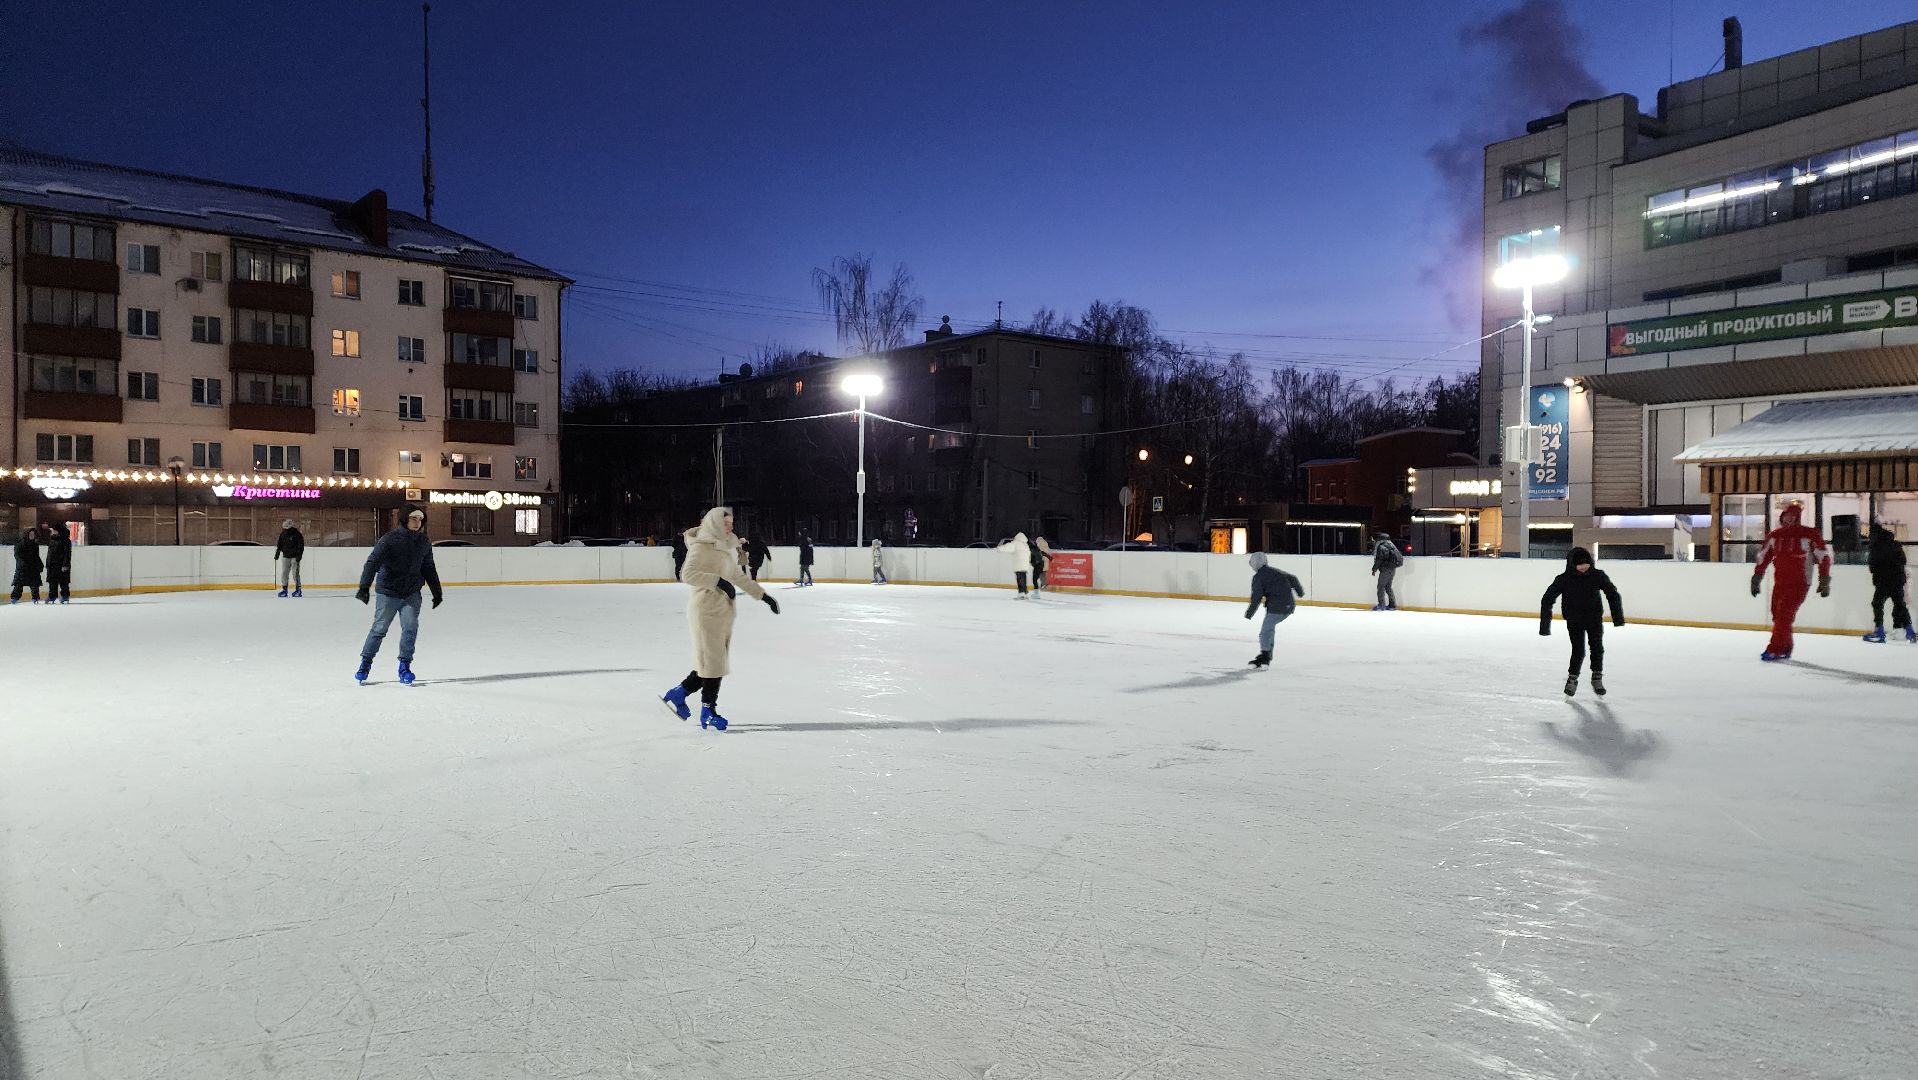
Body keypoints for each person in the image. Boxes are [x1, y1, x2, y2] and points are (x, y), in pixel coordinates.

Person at [661, 506, 779, 731]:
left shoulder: (723, 548)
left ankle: (679, 693)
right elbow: (688, 574)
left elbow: (738, 577)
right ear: (714, 523)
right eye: (726, 524)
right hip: (705, 611)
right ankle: (708, 711)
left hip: (720, 612)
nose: (730, 528)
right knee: (714, 663)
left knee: (711, 662)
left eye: (731, 524)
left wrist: (764, 596)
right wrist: (718, 581)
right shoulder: (701, 546)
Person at [354, 507, 444, 684]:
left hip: (411, 593)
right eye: (413, 518)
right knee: (379, 628)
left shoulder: (423, 541)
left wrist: (437, 592)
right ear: (404, 519)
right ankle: (365, 663)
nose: (417, 522)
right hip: (388, 592)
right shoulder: (389, 539)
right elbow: (372, 562)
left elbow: (428, 567)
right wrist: (364, 587)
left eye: (420, 519)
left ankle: (405, 666)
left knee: (410, 628)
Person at [1540, 546, 1625, 697]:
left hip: (1594, 619)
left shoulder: (1597, 575)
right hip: (1574, 620)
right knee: (1578, 650)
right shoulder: (1563, 579)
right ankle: (1572, 680)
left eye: (1586, 563)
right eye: (1580, 564)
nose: (1584, 567)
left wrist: (1617, 618)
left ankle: (1597, 677)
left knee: (1597, 648)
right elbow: (1547, 599)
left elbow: (1613, 594)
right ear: (1572, 564)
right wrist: (1545, 626)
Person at [1751, 500, 1831, 662]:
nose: (1788, 518)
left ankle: (1775, 649)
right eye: (1786, 515)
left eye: (1790, 515)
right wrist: (1757, 577)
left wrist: (1824, 579)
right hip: (1780, 582)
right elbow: (1763, 557)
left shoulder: (1810, 534)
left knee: (1784, 615)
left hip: (1800, 583)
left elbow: (1823, 557)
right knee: (1777, 615)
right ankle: (1786, 647)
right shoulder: (1775, 536)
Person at [1243, 552, 1305, 667]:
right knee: (1269, 630)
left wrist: (1249, 613)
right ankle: (1267, 654)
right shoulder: (1275, 572)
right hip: (1289, 606)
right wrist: (1300, 593)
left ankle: (1265, 657)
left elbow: (1256, 597)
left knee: (1265, 632)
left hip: (1277, 607)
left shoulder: (1258, 578)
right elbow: (1293, 578)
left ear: (1255, 564)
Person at [1863, 524, 1912, 644]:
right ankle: (1910, 632)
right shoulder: (1896, 545)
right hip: (1898, 581)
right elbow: (1903, 561)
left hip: (1883, 581)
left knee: (1877, 604)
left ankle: (1879, 631)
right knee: (1900, 606)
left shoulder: (1876, 547)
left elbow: (1872, 566)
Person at [1369, 531, 1403, 610]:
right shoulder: (1391, 545)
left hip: (1385, 569)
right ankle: (1392, 605)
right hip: (1392, 568)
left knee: (1380, 587)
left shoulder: (1381, 547)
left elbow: (1379, 559)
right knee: (1388, 587)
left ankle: (1381, 605)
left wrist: (1374, 570)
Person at [10, 527, 44, 604]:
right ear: (26, 534)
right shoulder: (20, 544)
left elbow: (36, 556)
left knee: (35, 584)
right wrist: (21, 563)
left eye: (33, 534)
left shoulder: (35, 544)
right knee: (19, 584)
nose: (32, 536)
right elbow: (17, 555)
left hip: (33, 567)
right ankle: (14, 598)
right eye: (30, 534)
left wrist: (40, 564)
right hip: (23, 567)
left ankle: (35, 598)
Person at [274, 518, 305, 597]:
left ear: (290, 527)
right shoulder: (283, 534)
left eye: (286, 528)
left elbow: (301, 545)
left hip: (295, 557)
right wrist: (277, 553)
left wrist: (299, 556)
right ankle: (284, 589)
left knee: (295, 574)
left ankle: (298, 589)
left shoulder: (297, 534)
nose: (285, 529)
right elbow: (279, 544)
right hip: (286, 557)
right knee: (284, 573)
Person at [44, 523, 73, 604]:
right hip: (52, 564)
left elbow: (67, 554)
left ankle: (65, 596)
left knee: (63, 582)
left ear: (59, 531)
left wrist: (65, 564)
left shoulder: (65, 540)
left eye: (54, 530)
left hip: (61, 564)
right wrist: (48, 563)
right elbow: (49, 553)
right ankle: (52, 596)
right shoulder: (52, 540)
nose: (52, 531)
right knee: (52, 582)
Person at [997, 532, 1031, 597]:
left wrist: (999, 548)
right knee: (1023, 578)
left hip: (1019, 564)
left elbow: (1008, 547)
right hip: (1025, 565)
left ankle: (1021, 593)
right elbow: (1029, 554)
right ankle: (1025, 592)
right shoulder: (1026, 545)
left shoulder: (1016, 543)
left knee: (1019, 578)